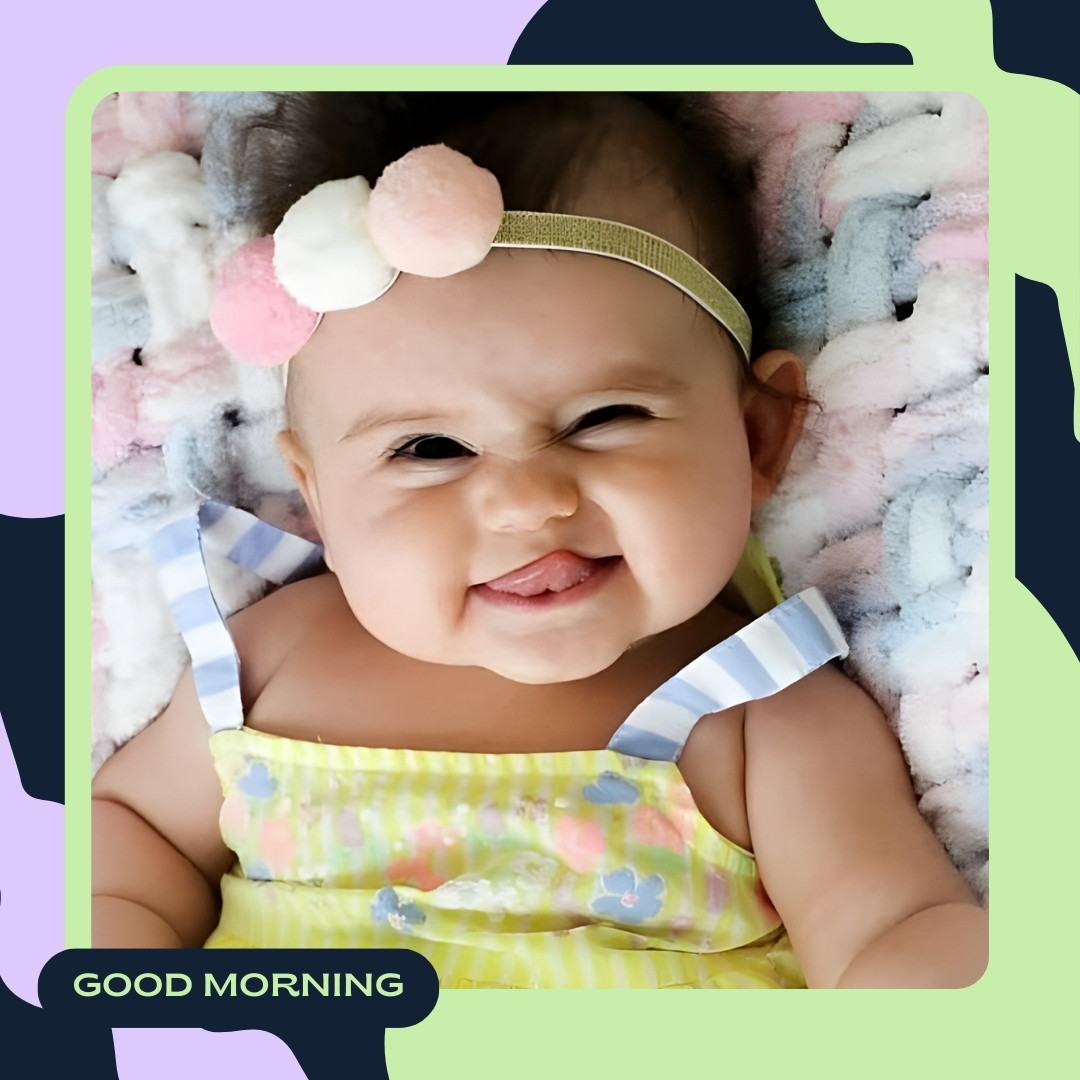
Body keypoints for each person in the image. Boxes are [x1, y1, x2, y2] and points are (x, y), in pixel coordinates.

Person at [91, 92, 987, 988]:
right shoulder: (273, 658)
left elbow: (888, 930)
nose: (526, 503)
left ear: (757, 438)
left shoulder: (766, 713)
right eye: (429, 449)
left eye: (603, 419)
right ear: (319, 497)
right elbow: (130, 838)